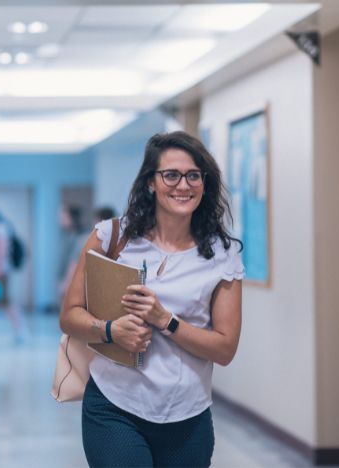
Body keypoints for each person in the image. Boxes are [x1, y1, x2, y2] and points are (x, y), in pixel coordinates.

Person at [60, 131, 244, 467]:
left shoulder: (223, 255)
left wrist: (166, 321)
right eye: (171, 175)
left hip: (187, 415)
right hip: (114, 406)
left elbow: (225, 348)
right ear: (150, 182)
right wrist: (113, 330)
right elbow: (70, 315)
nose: (183, 185)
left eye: (193, 175)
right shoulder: (112, 237)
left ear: (205, 183)